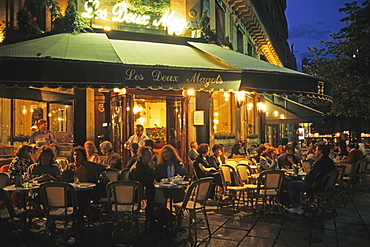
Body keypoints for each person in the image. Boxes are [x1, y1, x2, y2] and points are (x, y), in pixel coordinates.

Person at [287, 144, 336, 214]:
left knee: (291, 184)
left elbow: (310, 177)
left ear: (320, 151)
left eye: (316, 150)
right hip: (326, 185)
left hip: (317, 186)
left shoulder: (319, 163)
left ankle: (297, 206)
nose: (315, 152)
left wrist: (304, 178)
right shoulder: (330, 162)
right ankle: (310, 201)